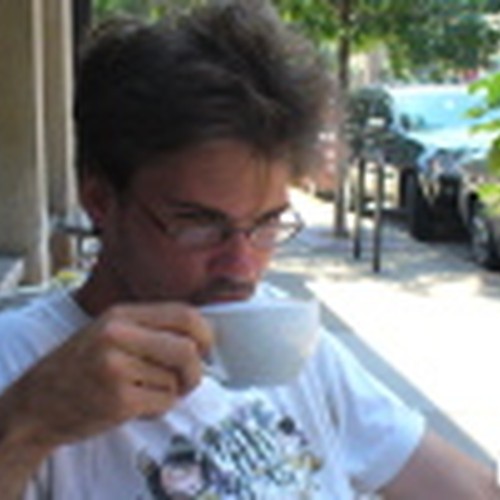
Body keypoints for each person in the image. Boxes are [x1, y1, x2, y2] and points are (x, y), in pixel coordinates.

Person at [0, 1, 497, 498]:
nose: (242, 269)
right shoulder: (23, 365)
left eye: (266, 223)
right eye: (199, 224)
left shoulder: (290, 343)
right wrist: (24, 427)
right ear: (101, 202)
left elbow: (469, 488)